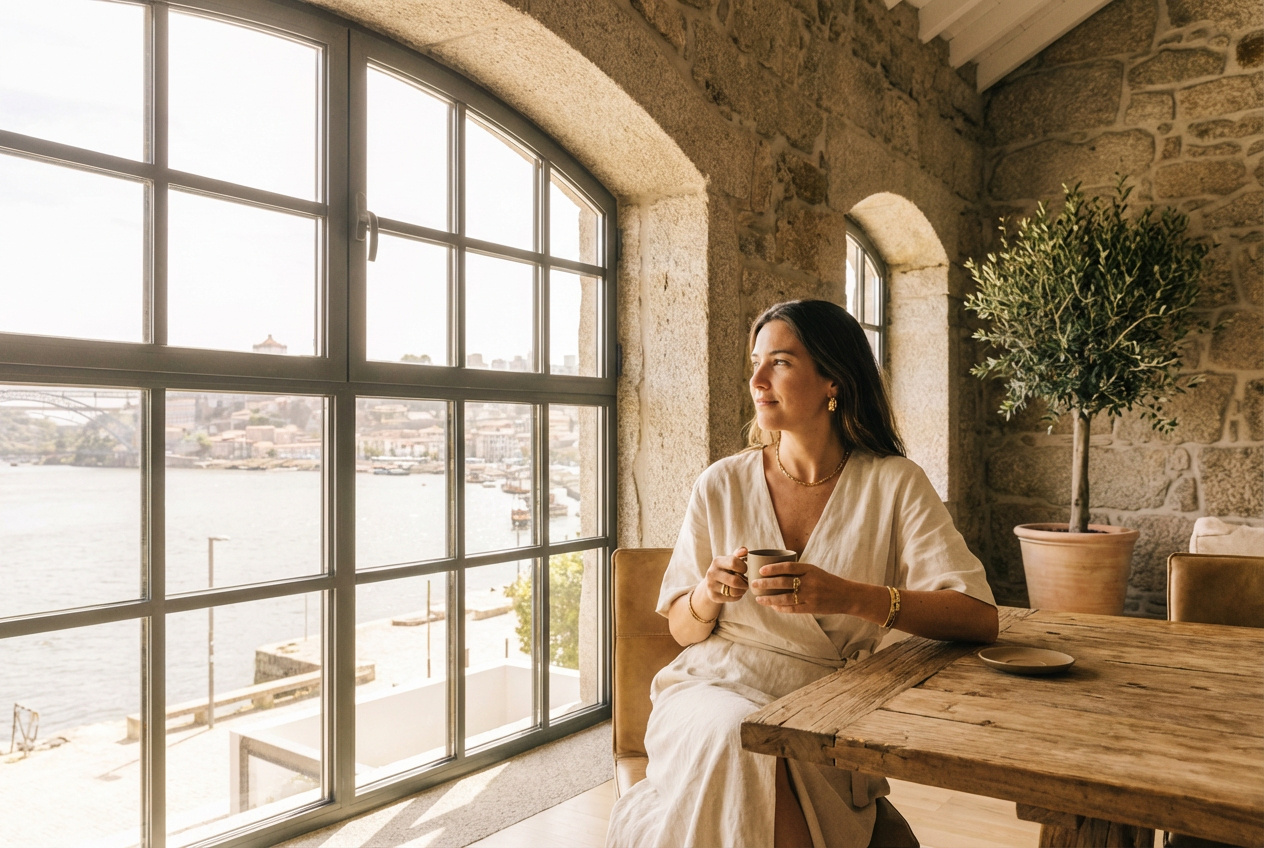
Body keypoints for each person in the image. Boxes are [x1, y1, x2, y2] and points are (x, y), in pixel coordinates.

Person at [605, 299, 998, 848]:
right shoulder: (721, 483)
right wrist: (707, 594)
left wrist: (848, 596)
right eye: (756, 363)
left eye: (781, 363)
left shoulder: (894, 483)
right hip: (711, 688)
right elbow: (681, 630)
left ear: (833, 380)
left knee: (762, 746)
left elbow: (978, 617)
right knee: (741, 735)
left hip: (827, 705)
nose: (757, 380)